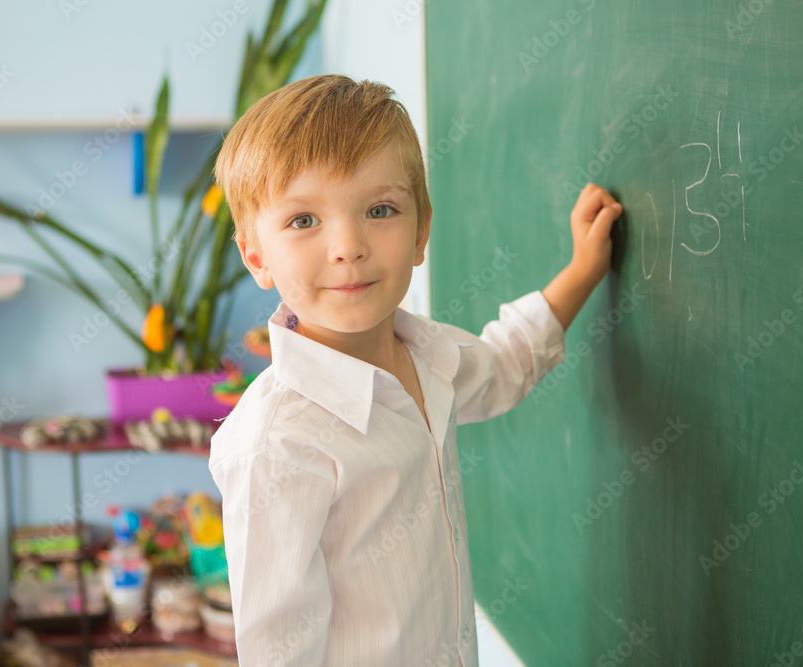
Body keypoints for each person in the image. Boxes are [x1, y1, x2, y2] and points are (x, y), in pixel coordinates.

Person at [207, 73, 622, 666]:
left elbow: (505, 363)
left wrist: (583, 269)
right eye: (304, 220)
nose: (348, 245)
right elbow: (280, 653)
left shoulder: (428, 356)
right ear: (255, 255)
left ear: (422, 229)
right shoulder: (276, 444)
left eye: (380, 209)